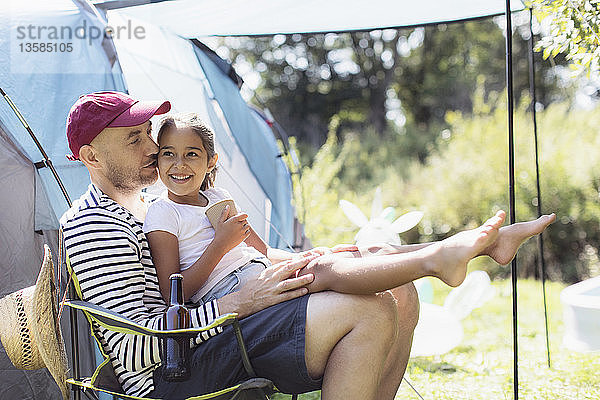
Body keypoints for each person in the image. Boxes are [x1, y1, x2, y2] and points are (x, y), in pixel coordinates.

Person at [60, 91, 555, 400]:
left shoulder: (144, 208)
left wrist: (304, 256)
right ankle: (446, 255)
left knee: (392, 289)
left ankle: (456, 251)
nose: (151, 149)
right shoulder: (93, 225)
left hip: (215, 324)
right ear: (89, 156)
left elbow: (236, 256)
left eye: (149, 136)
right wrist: (237, 302)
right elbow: (136, 341)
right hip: (178, 368)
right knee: (370, 312)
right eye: (134, 141)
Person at [143, 113, 554, 308]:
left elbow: (264, 253)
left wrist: (311, 253)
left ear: (211, 162)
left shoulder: (217, 201)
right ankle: (439, 260)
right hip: (232, 297)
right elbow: (172, 290)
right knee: (326, 273)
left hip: (259, 272)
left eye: (192, 154)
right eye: (169, 155)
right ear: (157, 161)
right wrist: (220, 245)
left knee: (355, 253)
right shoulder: (162, 213)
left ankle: (481, 245)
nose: (180, 165)